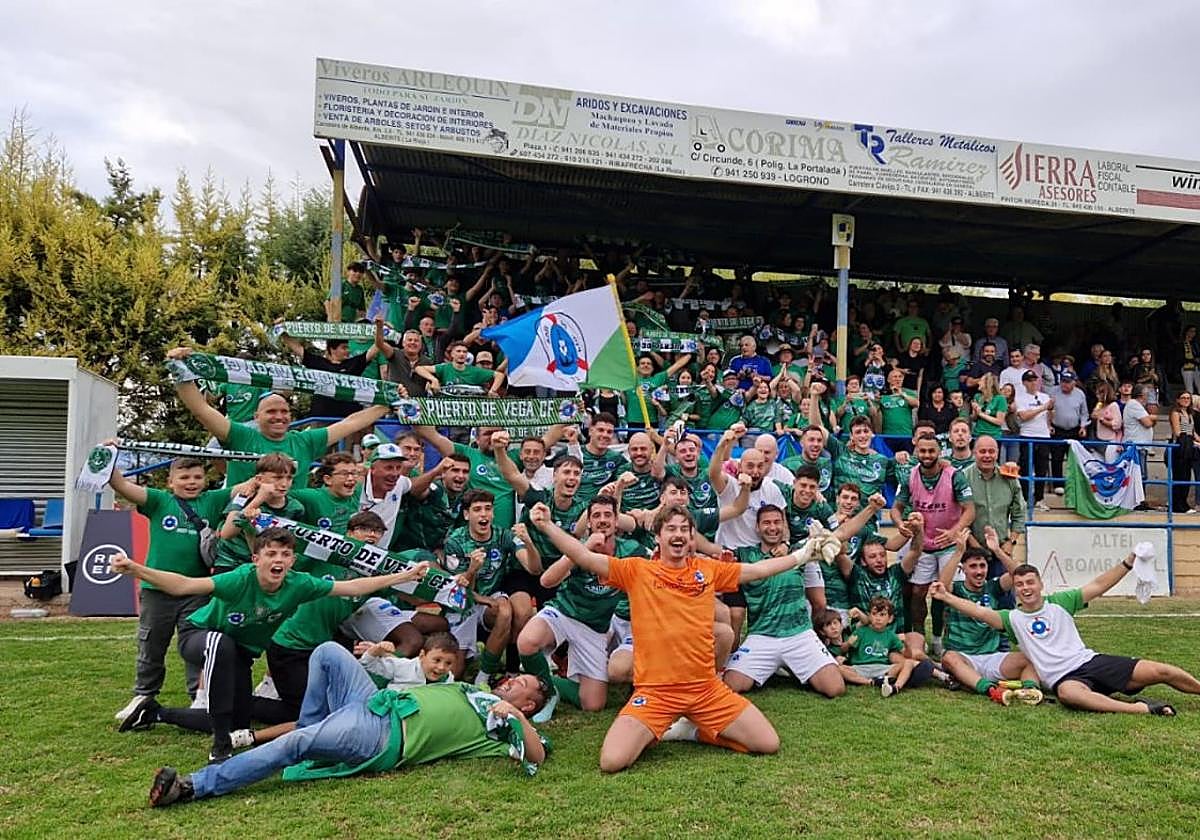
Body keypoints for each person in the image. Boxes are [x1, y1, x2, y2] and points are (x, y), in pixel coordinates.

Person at [114, 527, 433, 763]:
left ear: (292, 560)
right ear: (257, 559)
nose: (278, 560)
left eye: (284, 554)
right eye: (271, 554)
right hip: (200, 636)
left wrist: (401, 576)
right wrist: (135, 568)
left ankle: (155, 713)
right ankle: (220, 747)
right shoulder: (240, 578)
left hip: (239, 651)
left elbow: (352, 584)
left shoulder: (299, 584)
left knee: (236, 719)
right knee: (220, 645)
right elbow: (184, 584)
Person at [529, 502, 804, 772]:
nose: (679, 534)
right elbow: (585, 557)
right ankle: (660, 726)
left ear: (691, 537)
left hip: (705, 689)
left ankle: (693, 732)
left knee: (767, 743)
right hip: (656, 693)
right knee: (612, 761)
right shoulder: (637, 570)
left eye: (685, 529)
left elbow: (757, 570)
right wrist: (547, 526)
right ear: (658, 536)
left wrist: (803, 555)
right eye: (671, 529)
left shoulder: (707, 570)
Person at [144, 642, 550, 807]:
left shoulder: (503, 725)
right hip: (372, 704)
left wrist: (513, 716)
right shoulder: (467, 687)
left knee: (294, 743)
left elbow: (539, 754)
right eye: (517, 675)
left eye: (524, 685)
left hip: (383, 735)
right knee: (328, 651)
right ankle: (312, 733)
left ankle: (191, 787)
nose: (513, 679)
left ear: (530, 705)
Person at [931, 555, 1200, 715]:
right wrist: (946, 597)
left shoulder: (1061, 601)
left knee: (1161, 671)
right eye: (1020, 584)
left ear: (1040, 584)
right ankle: (1140, 708)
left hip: (1090, 662)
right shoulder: (1011, 618)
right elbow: (977, 611)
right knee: (1070, 696)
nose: (1025, 588)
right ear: (1014, 590)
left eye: (1030, 582)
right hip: (1063, 679)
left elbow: (1098, 585)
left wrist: (1128, 562)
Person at [107, 457, 242, 721]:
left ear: (205, 480)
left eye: (197, 478)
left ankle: (198, 696)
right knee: (151, 644)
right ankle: (144, 694)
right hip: (156, 589)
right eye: (184, 478)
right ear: (170, 482)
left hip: (196, 590)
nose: (191, 483)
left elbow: (249, 484)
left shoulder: (213, 500)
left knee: (195, 644)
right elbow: (120, 485)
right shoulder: (159, 500)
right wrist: (109, 457)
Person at [167, 347, 389, 487]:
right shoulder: (240, 435)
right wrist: (181, 370)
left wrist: (387, 403)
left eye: (284, 412)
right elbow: (201, 410)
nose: (279, 417)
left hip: (287, 541)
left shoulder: (304, 440)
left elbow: (350, 422)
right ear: (256, 415)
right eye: (271, 412)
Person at [722, 506, 845, 699]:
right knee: (730, 686)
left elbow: (843, 534)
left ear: (785, 526)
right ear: (757, 527)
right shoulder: (744, 555)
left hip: (799, 635)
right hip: (762, 636)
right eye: (766, 523)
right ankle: (779, 666)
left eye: (777, 522)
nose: (773, 527)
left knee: (835, 688)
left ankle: (790, 665)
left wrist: (871, 509)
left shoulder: (799, 551)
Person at [442, 489, 540, 685]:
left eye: (488, 509)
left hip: (492, 596)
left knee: (505, 610)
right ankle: (466, 654)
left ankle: (484, 676)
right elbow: (456, 589)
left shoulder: (503, 536)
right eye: (477, 509)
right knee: (456, 672)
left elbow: (534, 568)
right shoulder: (455, 541)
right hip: (463, 602)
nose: (484, 514)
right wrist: (471, 571)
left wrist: (528, 542)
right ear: (467, 514)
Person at [935, 529, 1041, 706]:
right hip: (963, 658)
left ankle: (1030, 690)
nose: (979, 571)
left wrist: (998, 551)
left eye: (982, 566)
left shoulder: (993, 587)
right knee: (948, 659)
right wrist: (958, 552)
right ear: (963, 569)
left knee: (1030, 658)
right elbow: (941, 586)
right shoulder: (957, 589)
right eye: (973, 566)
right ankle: (991, 689)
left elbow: (1020, 574)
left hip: (993, 657)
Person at [890, 434, 975, 654]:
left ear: (939, 452)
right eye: (923, 451)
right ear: (916, 451)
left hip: (947, 545)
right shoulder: (909, 475)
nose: (927, 455)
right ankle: (919, 638)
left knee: (944, 592)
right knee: (918, 593)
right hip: (922, 545)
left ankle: (939, 639)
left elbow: (970, 510)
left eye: (931, 451)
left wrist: (954, 531)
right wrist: (900, 523)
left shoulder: (954, 475)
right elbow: (896, 507)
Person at [275, 331, 379, 421]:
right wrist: (283, 333)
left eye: (347, 347)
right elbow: (298, 349)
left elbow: (375, 349)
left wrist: (382, 331)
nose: (348, 351)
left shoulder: (353, 363)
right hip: (321, 418)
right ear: (332, 349)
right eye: (344, 348)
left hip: (348, 421)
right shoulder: (319, 363)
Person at [844, 597, 914, 697]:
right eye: (874, 614)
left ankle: (895, 687)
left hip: (883, 668)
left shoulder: (891, 635)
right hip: (861, 668)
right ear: (869, 616)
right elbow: (843, 650)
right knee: (840, 669)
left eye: (882, 615)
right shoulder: (861, 631)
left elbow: (908, 656)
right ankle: (870, 682)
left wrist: (907, 644)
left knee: (908, 663)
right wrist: (848, 644)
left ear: (890, 618)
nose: (878, 618)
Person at [356, 632, 459, 690]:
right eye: (437, 660)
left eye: (448, 663)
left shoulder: (448, 680)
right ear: (422, 655)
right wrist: (375, 651)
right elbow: (368, 665)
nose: (441, 667)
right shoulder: (403, 666)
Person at [1013, 370, 1053, 510]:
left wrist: (1050, 416)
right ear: (1024, 383)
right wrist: (1043, 407)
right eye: (1030, 380)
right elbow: (1024, 416)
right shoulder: (1020, 398)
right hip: (1027, 435)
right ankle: (1024, 499)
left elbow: (1048, 416)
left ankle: (1039, 499)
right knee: (1025, 469)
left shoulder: (1045, 396)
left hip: (1044, 436)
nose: (1033, 382)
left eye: (1035, 380)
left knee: (1042, 469)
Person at [1047, 372, 1089, 496]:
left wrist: (1083, 426)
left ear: (1074, 383)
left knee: (1075, 458)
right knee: (1056, 458)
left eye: (1067, 382)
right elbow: (1047, 410)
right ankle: (1058, 485)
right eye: (1063, 381)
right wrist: (1048, 425)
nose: (1064, 384)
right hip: (1057, 428)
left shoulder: (1080, 394)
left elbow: (1084, 413)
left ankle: (1075, 485)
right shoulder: (1053, 391)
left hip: (1074, 430)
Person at [416, 341, 504, 396]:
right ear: (452, 354)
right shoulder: (444, 368)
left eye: (464, 352)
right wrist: (433, 380)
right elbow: (419, 368)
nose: (462, 354)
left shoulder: (474, 371)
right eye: (458, 351)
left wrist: (492, 390)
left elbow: (499, 375)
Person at [374, 321, 433, 397]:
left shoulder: (427, 361)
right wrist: (379, 327)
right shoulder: (394, 354)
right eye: (410, 340)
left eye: (416, 341)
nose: (413, 342)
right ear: (403, 343)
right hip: (395, 401)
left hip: (418, 404)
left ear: (421, 345)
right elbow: (379, 344)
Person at [1168, 392, 1199, 513]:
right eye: (1183, 398)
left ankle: (1183, 503)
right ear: (1178, 400)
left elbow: (1193, 432)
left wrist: (1196, 440)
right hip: (1180, 447)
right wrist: (1191, 440)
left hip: (1189, 447)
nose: (1186, 400)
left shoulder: (1190, 414)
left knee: (1186, 476)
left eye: (1188, 398)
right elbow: (1177, 432)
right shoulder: (1176, 413)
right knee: (1179, 475)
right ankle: (1177, 505)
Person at [970, 372, 1007, 439]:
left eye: (981, 381)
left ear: (987, 383)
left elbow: (999, 421)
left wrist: (981, 414)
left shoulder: (1000, 399)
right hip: (977, 434)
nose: (978, 383)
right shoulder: (977, 396)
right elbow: (974, 419)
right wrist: (975, 411)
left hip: (993, 435)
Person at [1180, 325, 1200, 397]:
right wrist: (1193, 360)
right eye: (1191, 331)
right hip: (1186, 367)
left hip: (1196, 367)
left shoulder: (1195, 343)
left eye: (1194, 332)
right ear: (1186, 332)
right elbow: (1180, 357)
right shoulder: (1181, 343)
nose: (1193, 333)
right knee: (1189, 389)